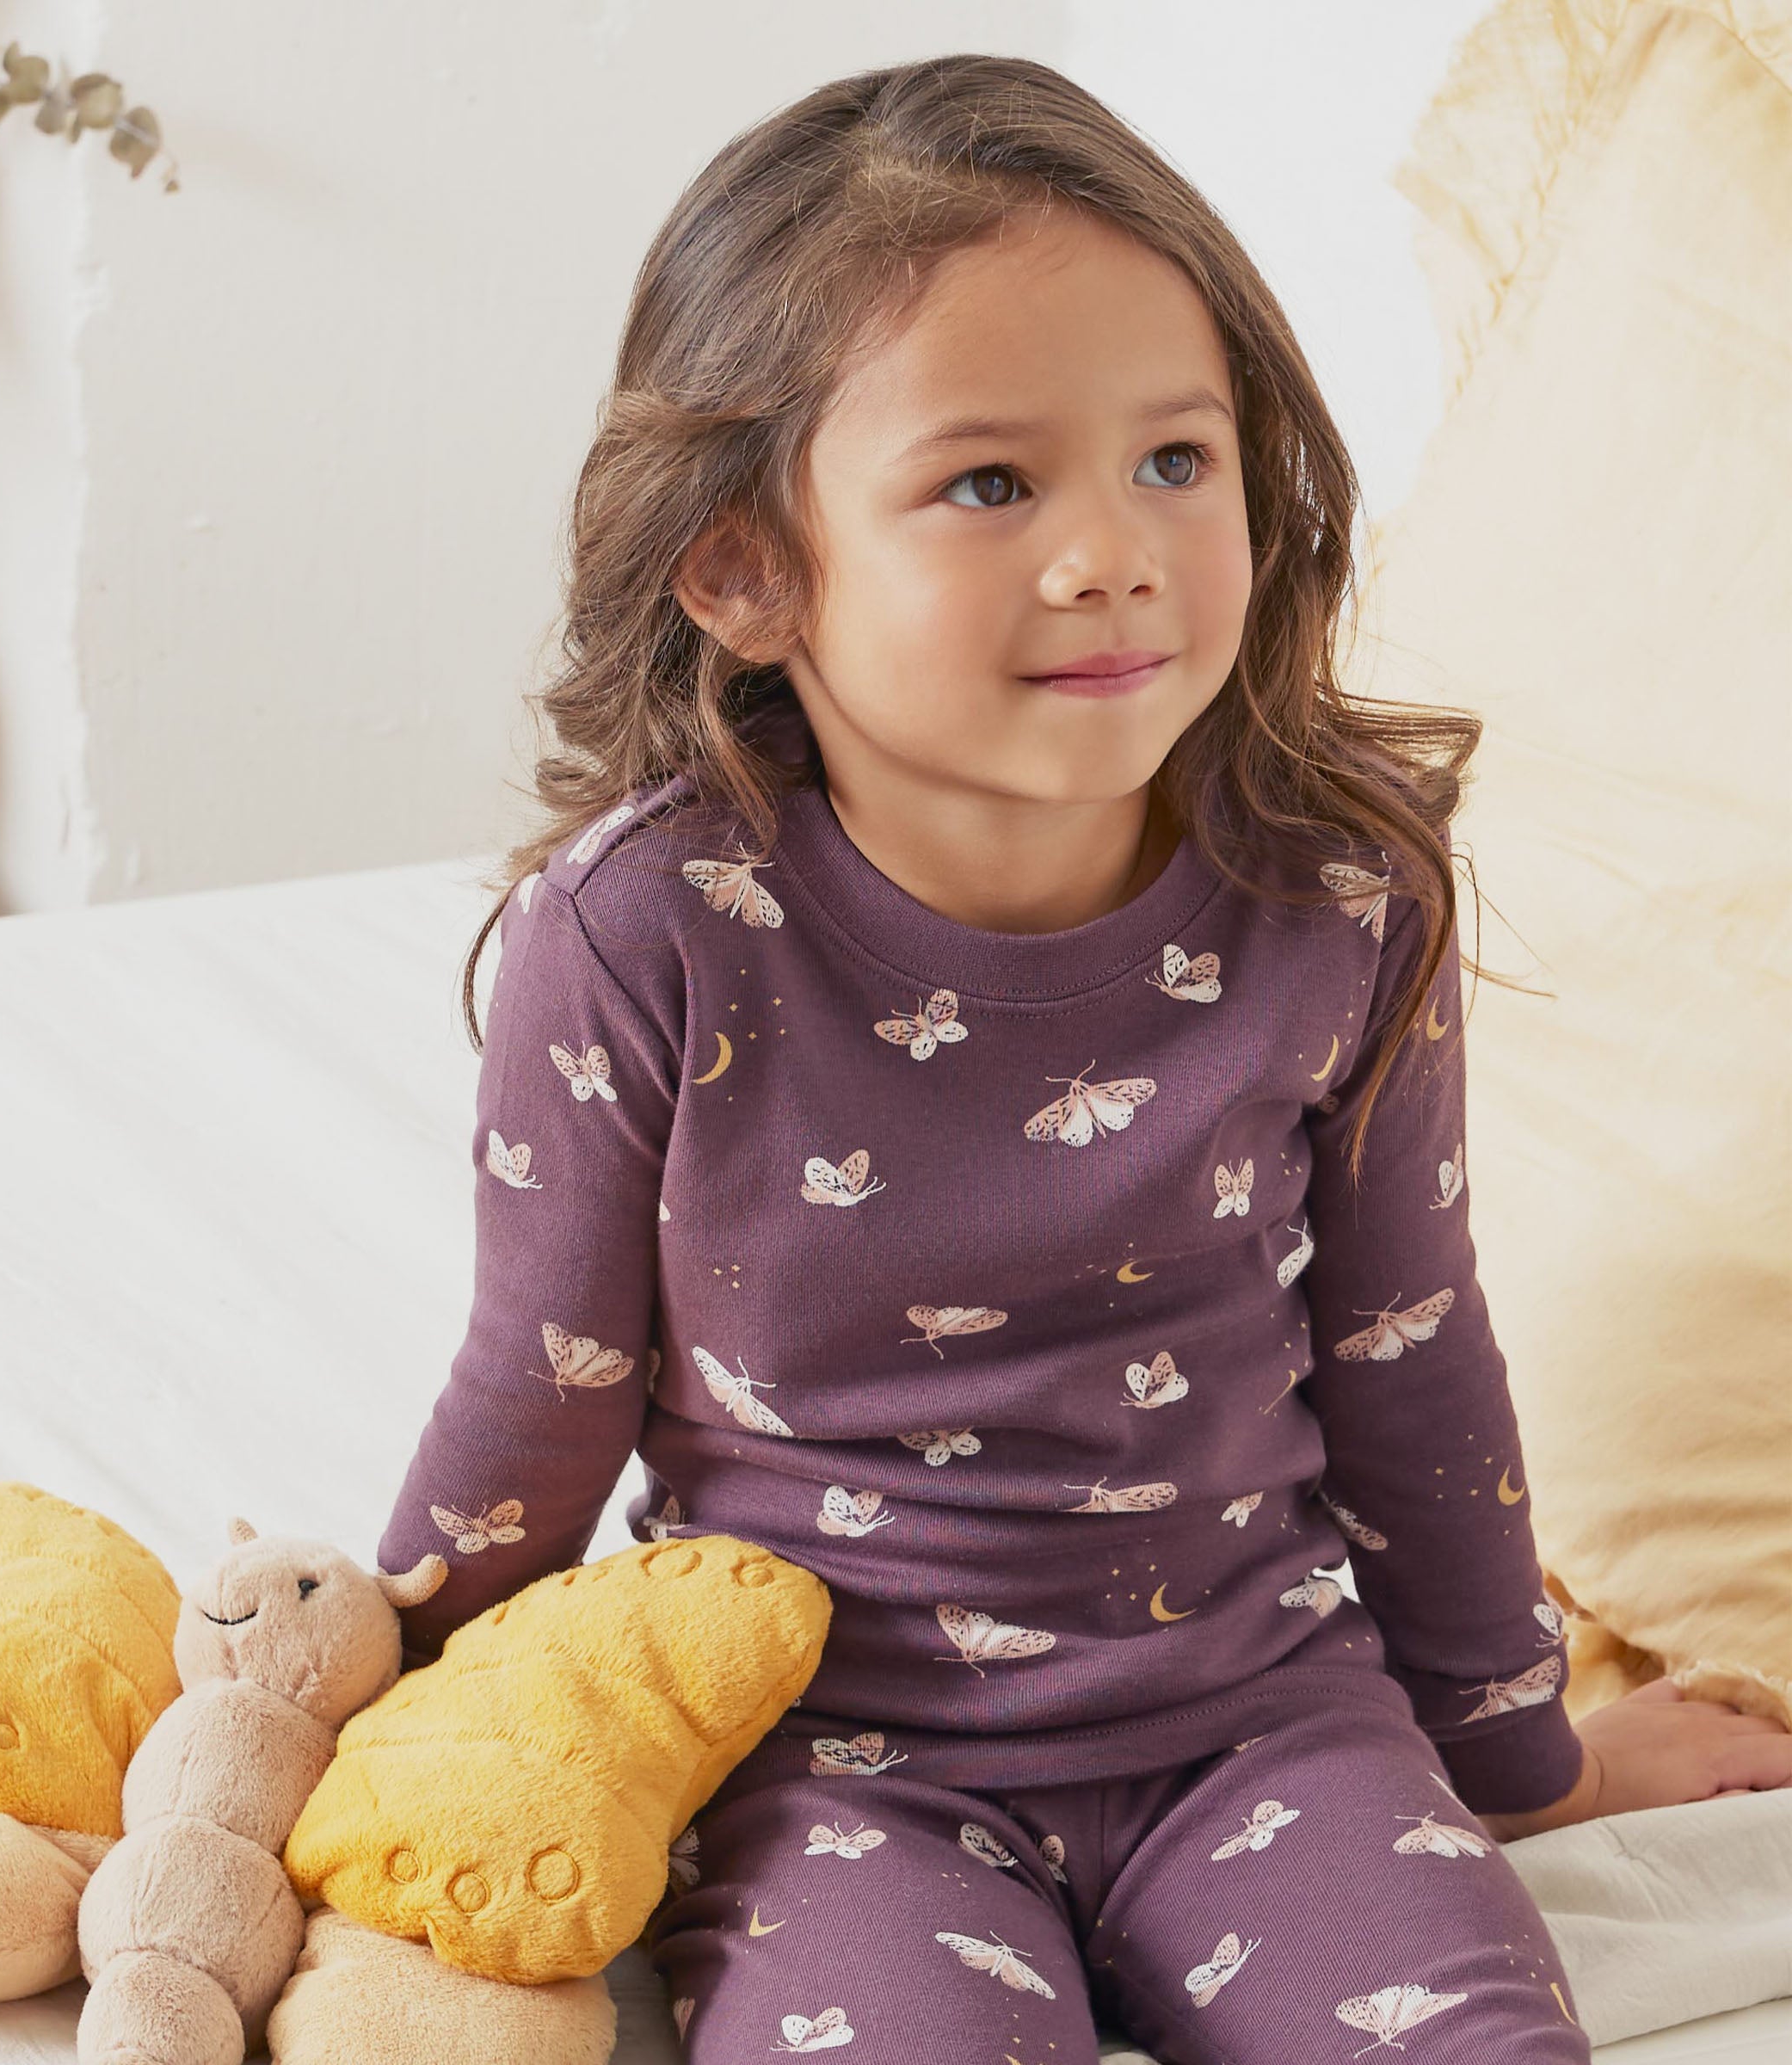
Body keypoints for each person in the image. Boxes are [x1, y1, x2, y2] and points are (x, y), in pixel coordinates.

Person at [377, 52, 1791, 2063]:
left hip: (1270, 1727)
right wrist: (382, 1747)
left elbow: (1409, 1358)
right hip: (824, 1760)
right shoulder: (644, 934)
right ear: (747, 568)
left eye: (1175, 460)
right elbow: (542, 1393)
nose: (1113, 550)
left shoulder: (1342, 894)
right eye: (990, 484)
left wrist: (1522, 1761)